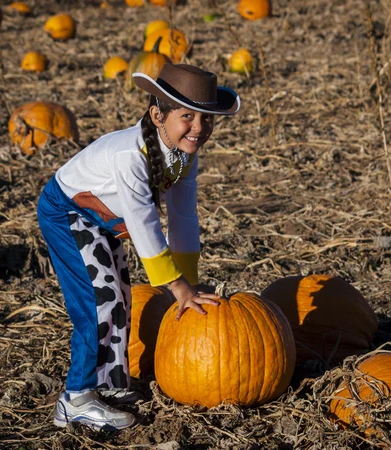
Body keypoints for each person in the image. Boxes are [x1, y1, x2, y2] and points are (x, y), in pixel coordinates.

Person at [36, 63, 241, 431]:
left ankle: (108, 384)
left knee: (120, 298)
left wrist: (188, 285)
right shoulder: (130, 156)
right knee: (98, 301)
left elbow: (183, 217)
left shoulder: (183, 153)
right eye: (187, 116)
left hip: (98, 218)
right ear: (157, 114)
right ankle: (75, 399)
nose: (199, 127)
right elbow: (144, 225)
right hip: (66, 210)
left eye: (207, 119)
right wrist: (176, 288)